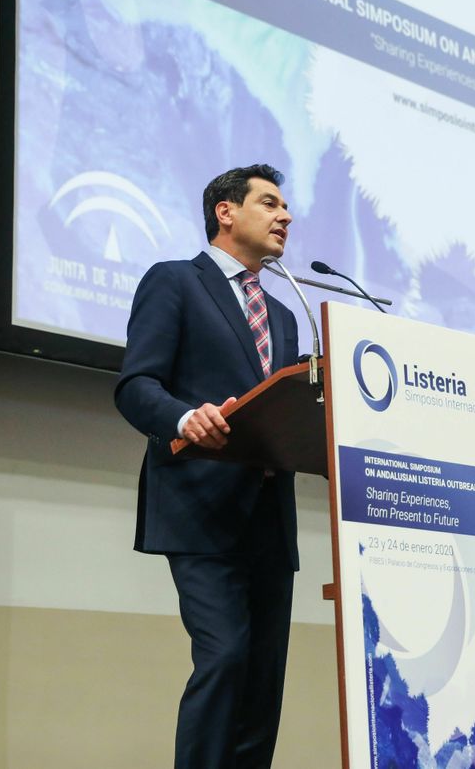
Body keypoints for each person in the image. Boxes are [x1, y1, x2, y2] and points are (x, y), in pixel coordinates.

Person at [114, 164, 301, 769]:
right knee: (224, 658)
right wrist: (182, 418)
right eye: (269, 203)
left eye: (285, 207)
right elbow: (136, 386)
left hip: (270, 517)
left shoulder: (285, 314)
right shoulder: (174, 283)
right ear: (226, 211)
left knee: (262, 679)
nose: (285, 216)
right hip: (201, 505)